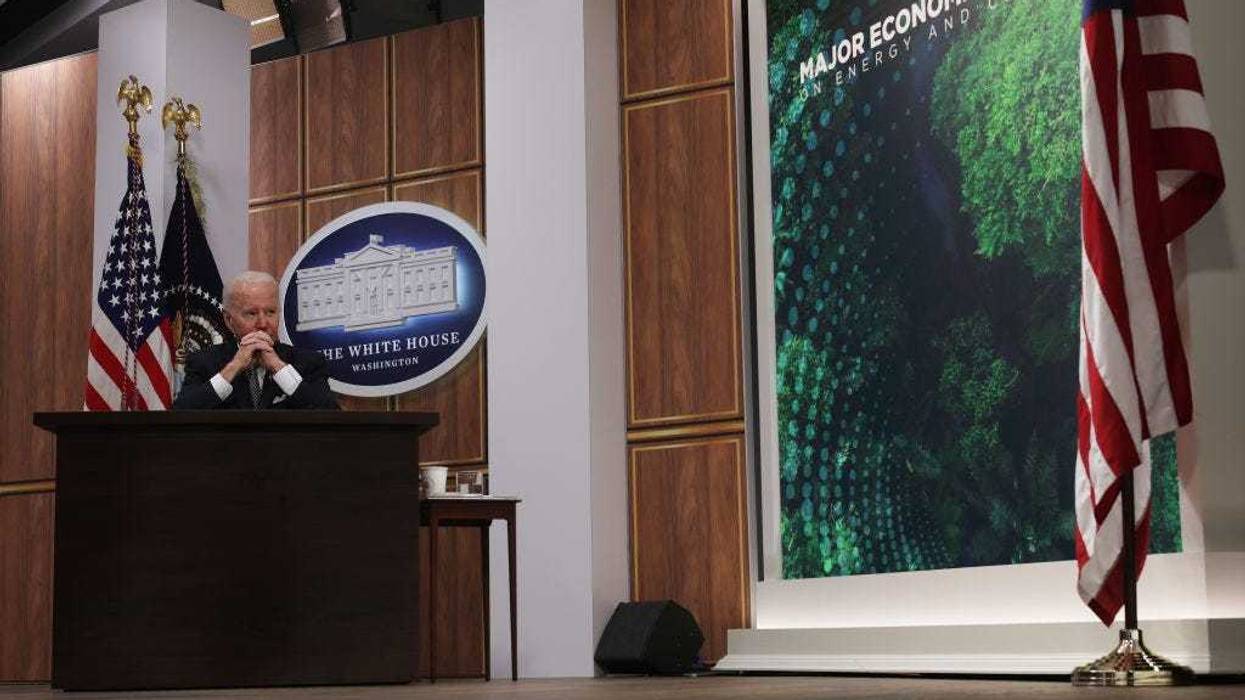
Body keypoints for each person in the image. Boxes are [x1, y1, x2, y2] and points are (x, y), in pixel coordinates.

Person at [172, 271, 339, 409]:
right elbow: (182, 413)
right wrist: (235, 366)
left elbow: (330, 413)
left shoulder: (308, 363)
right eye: (251, 313)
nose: (263, 323)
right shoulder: (203, 362)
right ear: (229, 320)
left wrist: (278, 368)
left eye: (270, 312)